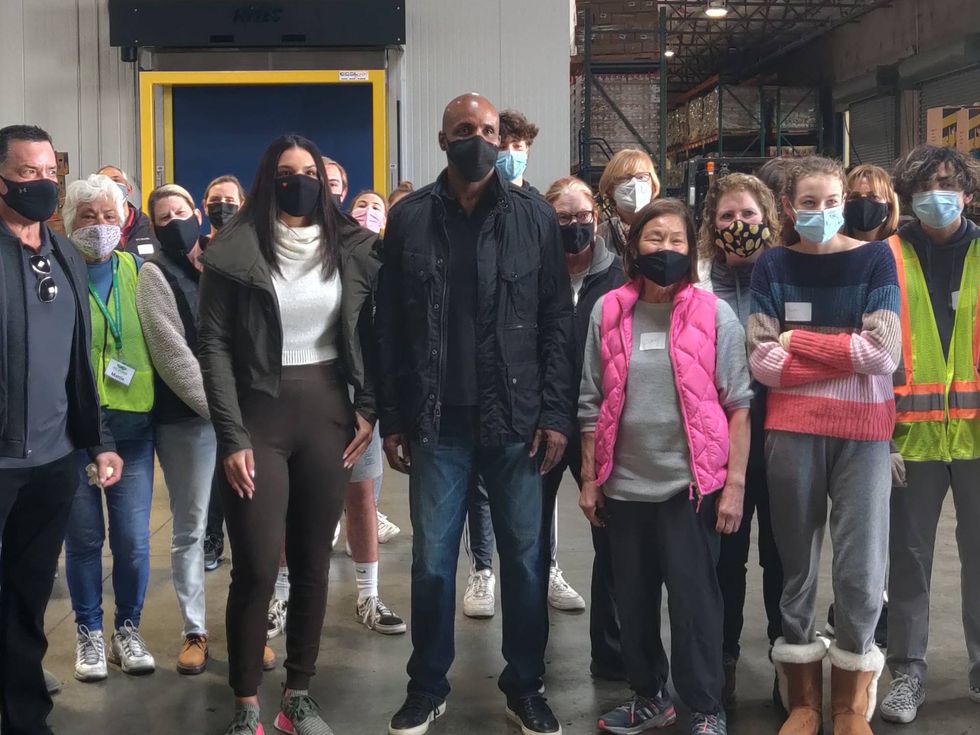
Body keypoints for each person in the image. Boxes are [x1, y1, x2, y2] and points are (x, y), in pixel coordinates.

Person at [377, 93, 574, 735]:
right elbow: (391, 330)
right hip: (437, 424)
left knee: (524, 561)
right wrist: (394, 416)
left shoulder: (534, 218)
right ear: (442, 140)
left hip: (515, 422)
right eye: (465, 129)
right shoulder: (408, 221)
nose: (479, 140)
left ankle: (526, 686)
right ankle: (427, 685)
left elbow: (555, 324)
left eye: (489, 130)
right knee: (432, 561)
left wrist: (554, 414)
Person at [197, 133, 377, 735]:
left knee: (312, 564)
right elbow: (215, 345)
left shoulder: (353, 248)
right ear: (266, 178)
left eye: (310, 172)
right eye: (286, 171)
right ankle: (246, 701)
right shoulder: (234, 251)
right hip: (257, 416)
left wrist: (369, 407)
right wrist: (231, 434)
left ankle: (296, 693)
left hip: (328, 412)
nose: (299, 181)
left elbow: (376, 334)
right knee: (253, 564)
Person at [578, 198, 750, 735]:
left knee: (696, 604)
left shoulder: (713, 312)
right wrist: (590, 479)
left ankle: (704, 708)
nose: (667, 248)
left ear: (691, 249)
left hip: (690, 488)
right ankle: (650, 696)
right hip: (624, 487)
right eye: (656, 238)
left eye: (678, 240)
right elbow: (589, 400)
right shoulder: (609, 310)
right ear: (635, 245)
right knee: (631, 600)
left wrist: (735, 486)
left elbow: (738, 402)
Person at [748, 156, 900, 735]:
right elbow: (762, 362)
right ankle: (804, 699)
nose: (820, 212)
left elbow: (882, 354)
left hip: (864, 436)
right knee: (796, 566)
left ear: (844, 202)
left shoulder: (874, 258)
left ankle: (849, 702)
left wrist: (799, 343)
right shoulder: (772, 265)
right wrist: (843, 347)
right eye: (808, 203)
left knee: (862, 567)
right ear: (790, 208)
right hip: (792, 433)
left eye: (830, 202)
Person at [0, 124, 122, 735]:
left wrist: (95, 438)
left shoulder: (65, 254)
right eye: (27, 174)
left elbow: (78, 360)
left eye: (49, 172)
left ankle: (25, 717)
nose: (41, 184)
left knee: (25, 597)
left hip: (51, 461)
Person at [878, 145, 980, 724]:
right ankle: (908, 675)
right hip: (908, 437)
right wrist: (880, 437)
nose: (934, 193)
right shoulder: (886, 255)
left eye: (946, 183)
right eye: (923, 185)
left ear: (966, 192)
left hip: (976, 435)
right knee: (909, 560)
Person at [61, 174, 156, 683]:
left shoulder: (140, 272)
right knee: (82, 539)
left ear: (124, 222)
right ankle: (89, 632)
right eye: (88, 216)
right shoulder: (56, 270)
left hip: (132, 427)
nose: (99, 225)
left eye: (108, 216)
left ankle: (128, 629)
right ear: (68, 220)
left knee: (133, 540)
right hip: (74, 429)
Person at [698, 172, 785, 709]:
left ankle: (785, 658)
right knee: (724, 559)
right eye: (727, 217)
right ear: (712, 224)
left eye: (748, 216)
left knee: (781, 555)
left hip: (781, 436)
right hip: (722, 443)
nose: (738, 226)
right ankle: (723, 658)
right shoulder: (699, 279)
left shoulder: (787, 273)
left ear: (767, 219)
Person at [136, 183, 221, 677]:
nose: (174, 221)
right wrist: (226, 413)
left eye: (181, 211)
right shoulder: (154, 275)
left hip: (244, 416)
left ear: (197, 212)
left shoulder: (222, 262)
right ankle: (195, 631)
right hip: (189, 421)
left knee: (251, 529)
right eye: (163, 217)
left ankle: (249, 627)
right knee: (191, 529)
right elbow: (174, 358)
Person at [544, 175, 627, 674]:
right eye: (563, 219)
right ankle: (529, 657)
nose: (576, 226)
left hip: (604, 423)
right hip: (544, 423)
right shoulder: (535, 275)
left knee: (610, 537)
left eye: (583, 217)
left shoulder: (619, 278)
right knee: (529, 541)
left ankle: (612, 656)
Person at [199, 174, 247, 573]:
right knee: (215, 464)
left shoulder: (253, 252)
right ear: (204, 206)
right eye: (216, 200)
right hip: (203, 375)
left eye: (230, 200)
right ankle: (212, 536)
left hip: (247, 376)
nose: (223, 207)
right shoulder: (193, 254)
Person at [596, 149, 661, 255]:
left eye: (641, 177)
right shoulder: (599, 236)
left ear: (653, 185)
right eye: (625, 178)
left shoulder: (665, 229)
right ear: (610, 189)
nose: (634, 184)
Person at [97, 165, 159, 257]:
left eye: (116, 180)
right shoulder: (93, 230)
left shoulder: (152, 228)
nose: (111, 185)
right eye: (104, 182)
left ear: (129, 189)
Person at [844, 164, 900, 244]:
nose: (864, 204)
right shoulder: (831, 247)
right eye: (855, 196)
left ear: (889, 204)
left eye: (873, 197)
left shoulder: (904, 244)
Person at [495, 110, 540, 193]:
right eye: (502, 147)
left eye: (517, 146)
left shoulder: (536, 203)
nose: (510, 153)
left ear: (527, 149)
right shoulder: (477, 199)